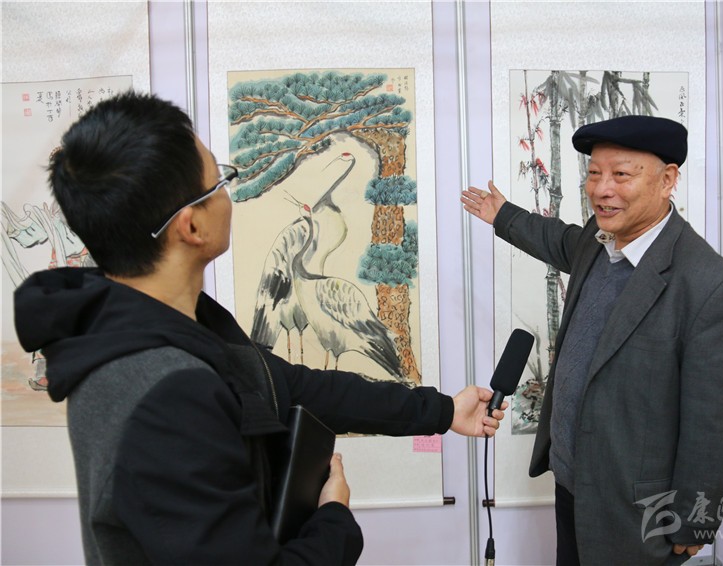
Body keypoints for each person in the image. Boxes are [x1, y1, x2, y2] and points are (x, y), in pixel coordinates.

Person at [14, 92, 506, 566]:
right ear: (191, 226)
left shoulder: (174, 331)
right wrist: (334, 520)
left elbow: (302, 387)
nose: (227, 194)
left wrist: (443, 410)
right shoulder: (163, 391)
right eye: (219, 182)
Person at [461, 115, 723, 565]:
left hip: (635, 512)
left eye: (621, 174)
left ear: (667, 180)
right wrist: (505, 216)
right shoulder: (597, 243)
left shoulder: (710, 286)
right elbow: (558, 239)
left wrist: (696, 521)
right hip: (571, 485)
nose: (601, 189)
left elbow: (713, 425)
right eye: (594, 173)